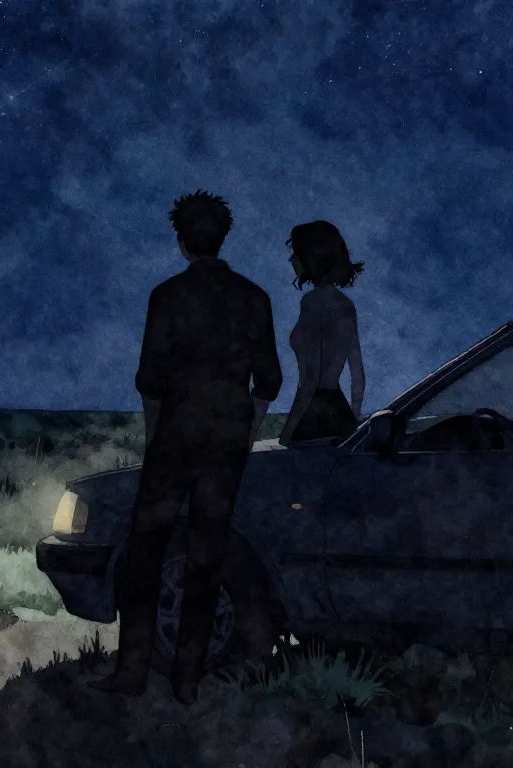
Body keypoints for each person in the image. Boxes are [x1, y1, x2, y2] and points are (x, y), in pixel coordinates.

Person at [87, 190, 283, 705]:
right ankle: (188, 679)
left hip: (174, 439)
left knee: (145, 554)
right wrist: (245, 432)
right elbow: (269, 380)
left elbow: (149, 380)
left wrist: (155, 437)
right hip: (225, 445)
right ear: (223, 236)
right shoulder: (254, 298)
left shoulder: (167, 296)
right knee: (207, 556)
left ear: (181, 241)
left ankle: (132, 671)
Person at [277, 220, 366, 444]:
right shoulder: (346, 304)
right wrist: (354, 420)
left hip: (313, 417)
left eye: (296, 253)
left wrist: (287, 434)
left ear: (311, 257)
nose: (291, 259)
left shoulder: (312, 303)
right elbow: (358, 376)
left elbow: (310, 379)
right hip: (340, 414)